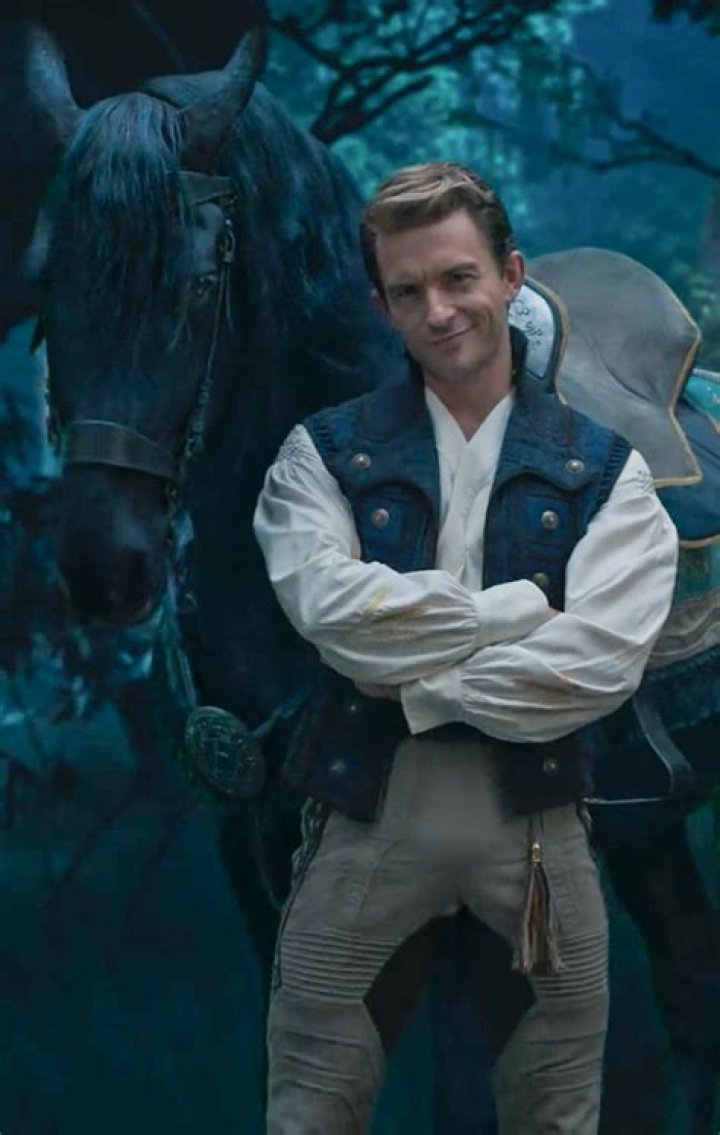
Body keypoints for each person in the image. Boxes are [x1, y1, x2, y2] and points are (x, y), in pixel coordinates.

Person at [253, 161, 678, 1134]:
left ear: (511, 275)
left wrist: (422, 688)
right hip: (364, 810)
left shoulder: (609, 473)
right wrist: (514, 610)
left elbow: (598, 662)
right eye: (408, 291)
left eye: (458, 278)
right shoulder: (316, 456)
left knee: (557, 1108)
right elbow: (334, 612)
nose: (438, 312)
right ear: (383, 307)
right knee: (307, 1105)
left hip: (537, 822)